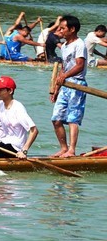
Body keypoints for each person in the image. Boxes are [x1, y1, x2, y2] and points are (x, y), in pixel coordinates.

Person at [51, 14, 87, 157]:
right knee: (56, 119)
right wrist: (56, 88)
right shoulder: (64, 46)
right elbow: (64, 67)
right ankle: (64, 148)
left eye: (63, 28)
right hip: (65, 85)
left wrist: (64, 77)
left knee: (73, 119)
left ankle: (72, 150)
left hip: (77, 84)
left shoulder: (80, 44)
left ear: (72, 29)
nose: (60, 31)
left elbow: (80, 66)